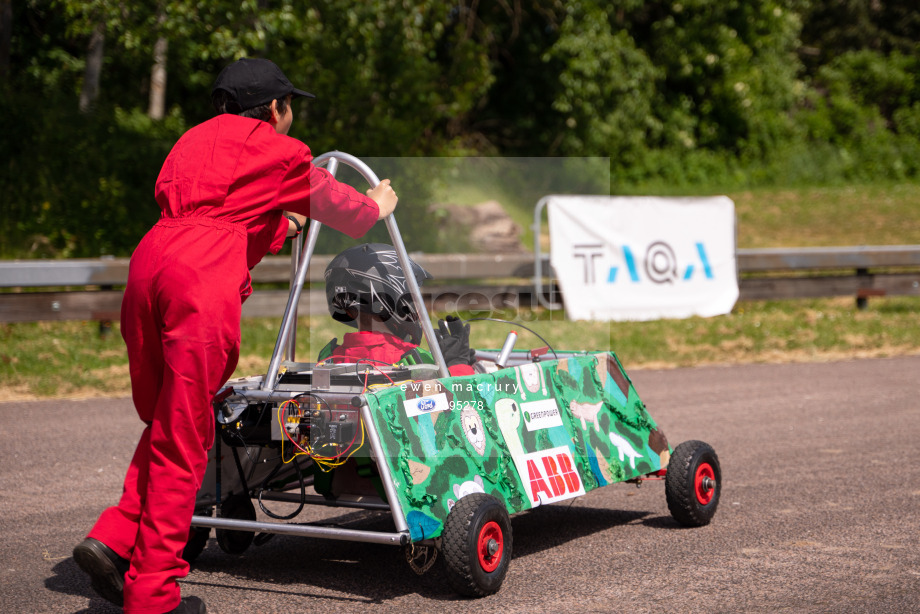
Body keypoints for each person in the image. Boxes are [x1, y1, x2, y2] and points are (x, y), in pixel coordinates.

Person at [72, 58, 397, 614]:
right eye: (290, 105)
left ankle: (115, 535)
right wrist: (376, 207)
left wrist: (285, 225)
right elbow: (336, 203)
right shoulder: (280, 150)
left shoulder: (190, 142)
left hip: (150, 266)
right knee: (185, 439)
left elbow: (222, 216)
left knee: (170, 421)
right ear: (275, 108)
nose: (290, 116)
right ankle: (153, 593)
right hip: (197, 283)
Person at [319, 243, 475, 375]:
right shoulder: (413, 359)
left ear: (346, 309)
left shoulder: (329, 358)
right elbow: (459, 403)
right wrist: (457, 364)